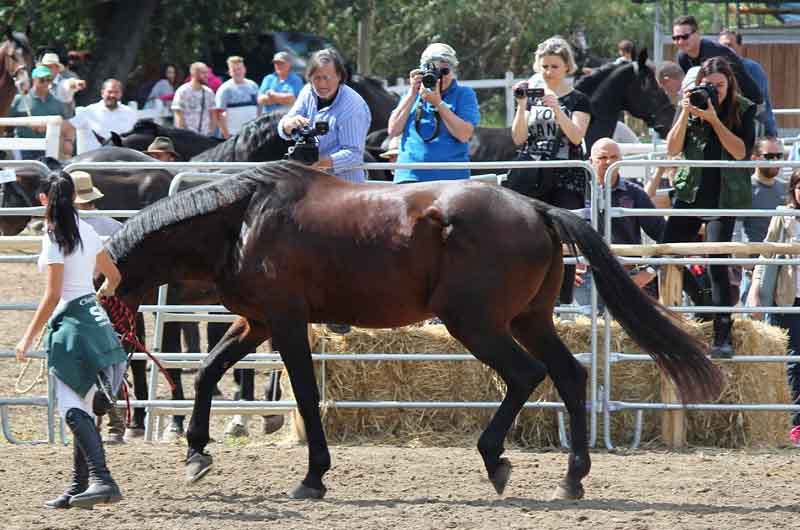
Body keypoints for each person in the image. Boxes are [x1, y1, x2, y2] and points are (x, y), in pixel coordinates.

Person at [15, 171, 125, 509]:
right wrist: (100, 295)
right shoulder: (87, 230)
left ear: (44, 199)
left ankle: (102, 479)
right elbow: (114, 276)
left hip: (72, 331)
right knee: (84, 410)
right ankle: (80, 486)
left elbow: (52, 295)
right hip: (97, 325)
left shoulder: (54, 236)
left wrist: (27, 338)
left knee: (72, 409)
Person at [664, 56, 757, 358]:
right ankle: (701, 300)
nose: (714, 91)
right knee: (665, 253)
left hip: (723, 197)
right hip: (690, 193)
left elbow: (741, 152)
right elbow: (672, 149)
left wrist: (715, 119)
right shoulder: (692, 103)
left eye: (719, 85)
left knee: (717, 262)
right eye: (709, 85)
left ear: (730, 85)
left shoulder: (743, 108)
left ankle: (722, 334)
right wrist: (685, 111)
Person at [507, 35, 592, 304]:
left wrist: (557, 108)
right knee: (528, 236)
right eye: (544, 66)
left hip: (566, 176)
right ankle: (528, 298)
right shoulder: (531, 97)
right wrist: (522, 106)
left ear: (567, 67)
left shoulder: (578, 99)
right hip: (533, 173)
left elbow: (576, 136)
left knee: (564, 239)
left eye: (554, 66)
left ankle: (564, 301)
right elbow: (519, 138)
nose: (548, 72)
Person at [574, 138, 664, 307]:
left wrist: (650, 270)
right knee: (589, 319)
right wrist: (566, 268)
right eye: (602, 157)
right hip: (586, 274)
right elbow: (557, 233)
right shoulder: (576, 192)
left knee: (625, 322)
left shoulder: (634, 193)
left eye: (614, 157)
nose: (608, 162)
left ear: (621, 160)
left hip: (627, 274)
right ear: (590, 161)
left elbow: (663, 234)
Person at [747, 169, 800, 446]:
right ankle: (796, 423)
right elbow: (766, 255)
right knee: (793, 362)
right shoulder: (783, 215)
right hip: (788, 299)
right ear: (793, 189)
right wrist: (756, 290)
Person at [387, 43, 480, 184]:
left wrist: (438, 103)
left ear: (453, 71)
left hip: (451, 179)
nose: (439, 77)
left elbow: (464, 134)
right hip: (410, 177)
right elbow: (393, 130)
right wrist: (412, 93)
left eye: (445, 71)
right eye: (433, 71)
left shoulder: (464, 94)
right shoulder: (412, 95)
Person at [278, 48, 371, 183]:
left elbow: (354, 155)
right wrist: (288, 125)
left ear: (340, 76)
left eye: (327, 78)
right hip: (311, 183)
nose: (322, 84)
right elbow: (283, 127)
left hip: (344, 186)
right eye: (317, 78)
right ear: (309, 78)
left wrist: (318, 163)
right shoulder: (307, 92)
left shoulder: (353, 105)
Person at [672, 15, 763, 106]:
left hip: (747, 103)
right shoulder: (682, 57)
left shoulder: (715, 54)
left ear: (697, 34)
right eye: (676, 38)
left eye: (685, 37)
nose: (680, 42)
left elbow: (729, 88)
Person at [718, 28, 777, 137]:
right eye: (721, 46)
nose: (724, 49)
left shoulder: (752, 69)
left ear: (739, 47)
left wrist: (771, 134)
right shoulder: (713, 69)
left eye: (729, 45)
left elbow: (763, 104)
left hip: (747, 129)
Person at [8, 66, 70, 160]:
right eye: (42, 80)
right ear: (34, 80)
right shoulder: (20, 99)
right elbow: (7, 122)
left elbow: (66, 124)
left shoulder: (57, 102)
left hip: (49, 147)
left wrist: (47, 128)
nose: (46, 83)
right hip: (23, 147)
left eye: (48, 80)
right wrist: (27, 124)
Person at [69, 79, 138, 155]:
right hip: (94, 159)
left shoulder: (130, 113)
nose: (112, 95)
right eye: (110, 92)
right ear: (102, 93)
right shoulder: (88, 111)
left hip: (122, 159)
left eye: (116, 92)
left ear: (121, 94)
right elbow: (67, 128)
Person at [215, 56, 260, 138]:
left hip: (252, 134)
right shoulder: (224, 89)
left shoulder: (253, 86)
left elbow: (259, 108)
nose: (237, 72)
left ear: (244, 69)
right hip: (233, 136)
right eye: (234, 70)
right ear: (229, 72)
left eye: (239, 69)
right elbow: (219, 114)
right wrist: (226, 135)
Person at [172, 62, 218, 135]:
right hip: (187, 136)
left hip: (205, 136)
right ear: (194, 74)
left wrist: (211, 132)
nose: (207, 76)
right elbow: (178, 114)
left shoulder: (209, 92)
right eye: (203, 73)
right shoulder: (183, 91)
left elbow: (213, 114)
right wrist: (183, 134)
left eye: (207, 73)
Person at [40, 52, 85, 117]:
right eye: (44, 67)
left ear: (57, 69)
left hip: (64, 121)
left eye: (50, 67)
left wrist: (77, 83)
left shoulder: (62, 82)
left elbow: (68, 84)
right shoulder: (41, 83)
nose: (46, 70)